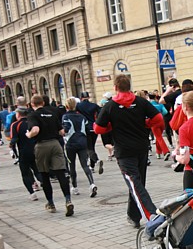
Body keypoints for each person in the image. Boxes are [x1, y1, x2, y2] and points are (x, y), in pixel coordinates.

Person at [94, 74, 163, 228]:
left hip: (124, 151)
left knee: (135, 184)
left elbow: (98, 128)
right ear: (129, 86)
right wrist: (146, 123)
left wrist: (110, 127)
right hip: (141, 147)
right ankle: (133, 216)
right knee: (137, 183)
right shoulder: (141, 102)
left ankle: (152, 215)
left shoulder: (110, 106)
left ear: (115, 87)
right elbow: (158, 118)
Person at [26, 94, 74, 216]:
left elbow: (35, 130)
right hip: (55, 144)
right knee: (61, 173)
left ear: (32, 104)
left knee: (45, 175)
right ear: (43, 103)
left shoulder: (33, 115)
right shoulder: (52, 113)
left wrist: (29, 135)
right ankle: (68, 200)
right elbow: (61, 131)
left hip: (42, 145)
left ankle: (51, 203)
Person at [63, 97, 97, 198]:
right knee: (85, 164)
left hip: (71, 143)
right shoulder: (82, 116)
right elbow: (87, 129)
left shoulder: (65, 116)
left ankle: (75, 187)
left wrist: (61, 132)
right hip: (82, 142)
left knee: (72, 165)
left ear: (66, 106)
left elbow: (66, 129)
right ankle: (92, 184)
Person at [10, 106, 41, 201]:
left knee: (25, 173)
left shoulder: (15, 125)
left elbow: (14, 139)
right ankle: (43, 182)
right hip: (36, 149)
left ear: (18, 114)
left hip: (23, 151)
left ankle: (32, 193)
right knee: (37, 170)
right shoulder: (32, 122)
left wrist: (12, 147)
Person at [76, 91, 102, 174]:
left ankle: (96, 160)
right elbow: (101, 112)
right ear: (88, 97)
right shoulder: (94, 105)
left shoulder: (78, 106)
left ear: (81, 98)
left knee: (88, 148)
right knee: (92, 146)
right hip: (93, 128)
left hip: (85, 128)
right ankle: (92, 166)